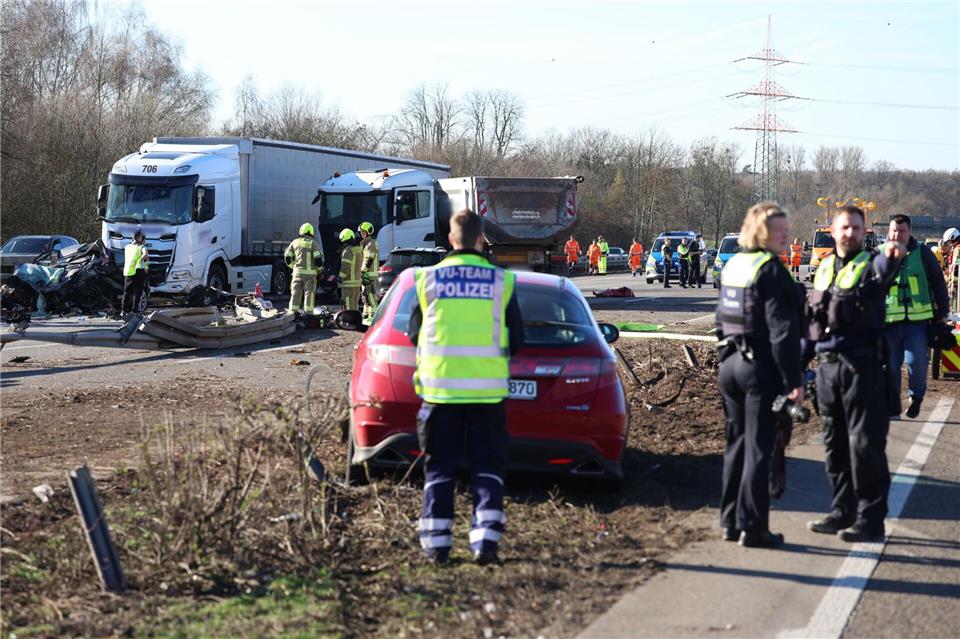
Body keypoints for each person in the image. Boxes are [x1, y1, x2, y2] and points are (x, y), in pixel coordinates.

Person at [406, 208, 524, 566]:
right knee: (487, 467)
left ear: (451, 240)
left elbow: (414, 334)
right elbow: (517, 339)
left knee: (439, 469)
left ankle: (437, 546)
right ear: (480, 239)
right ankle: (485, 543)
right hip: (487, 394)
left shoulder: (427, 280)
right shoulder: (501, 282)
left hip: (440, 392)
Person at [806, 205, 905, 542]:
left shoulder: (873, 264)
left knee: (865, 447)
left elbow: (887, 264)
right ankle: (841, 511)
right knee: (834, 447)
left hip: (863, 369)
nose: (849, 233)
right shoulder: (824, 268)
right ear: (832, 231)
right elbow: (812, 323)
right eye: (844, 227)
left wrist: (894, 253)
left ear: (864, 233)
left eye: (856, 228)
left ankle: (870, 519)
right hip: (827, 370)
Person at [716, 202, 805, 548]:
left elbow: (720, 319)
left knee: (735, 444)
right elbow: (783, 332)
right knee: (758, 448)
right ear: (761, 232)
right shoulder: (771, 270)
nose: (786, 236)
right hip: (759, 369)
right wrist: (795, 381)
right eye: (779, 230)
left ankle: (729, 521)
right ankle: (753, 527)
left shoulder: (735, 264)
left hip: (730, 365)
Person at [884, 215, 951, 418]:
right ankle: (893, 404)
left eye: (902, 230)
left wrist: (942, 314)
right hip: (889, 324)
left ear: (910, 231)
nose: (897, 234)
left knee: (917, 363)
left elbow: (938, 283)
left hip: (917, 323)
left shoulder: (923, 254)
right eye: (894, 230)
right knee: (892, 366)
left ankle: (916, 397)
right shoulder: (879, 255)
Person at [284, 223, 324, 314]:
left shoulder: (295, 242)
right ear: (311, 232)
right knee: (309, 294)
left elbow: (287, 257)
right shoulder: (313, 243)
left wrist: (293, 266)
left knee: (295, 294)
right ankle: (308, 314)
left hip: (297, 274)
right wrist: (319, 269)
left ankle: (292, 314)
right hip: (310, 275)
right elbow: (318, 259)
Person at [121, 230, 149, 316]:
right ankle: (135, 310)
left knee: (127, 292)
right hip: (138, 271)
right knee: (138, 292)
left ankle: (124, 311)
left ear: (132, 237)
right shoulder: (142, 247)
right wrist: (140, 260)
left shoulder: (127, 247)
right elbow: (145, 256)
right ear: (140, 238)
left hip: (128, 271)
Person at [358, 221, 380, 325]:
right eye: (361, 232)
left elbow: (369, 259)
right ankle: (367, 315)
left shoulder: (371, 244)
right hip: (366, 273)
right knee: (365, 295)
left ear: (368, 232)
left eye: (363, 232)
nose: (362, 234)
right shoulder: (366, 243)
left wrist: (363, 271)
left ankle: (375, 315)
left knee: (370, 294)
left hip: (369, 274)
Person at [337, 228, 362, 311]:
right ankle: (356, 321)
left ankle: (350, 321)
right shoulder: (358, 249)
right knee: (355, 304)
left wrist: (340, 278)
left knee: (348, 305)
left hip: (348, 284)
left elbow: (346, 267)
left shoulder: (347, 250)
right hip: (357, 283)